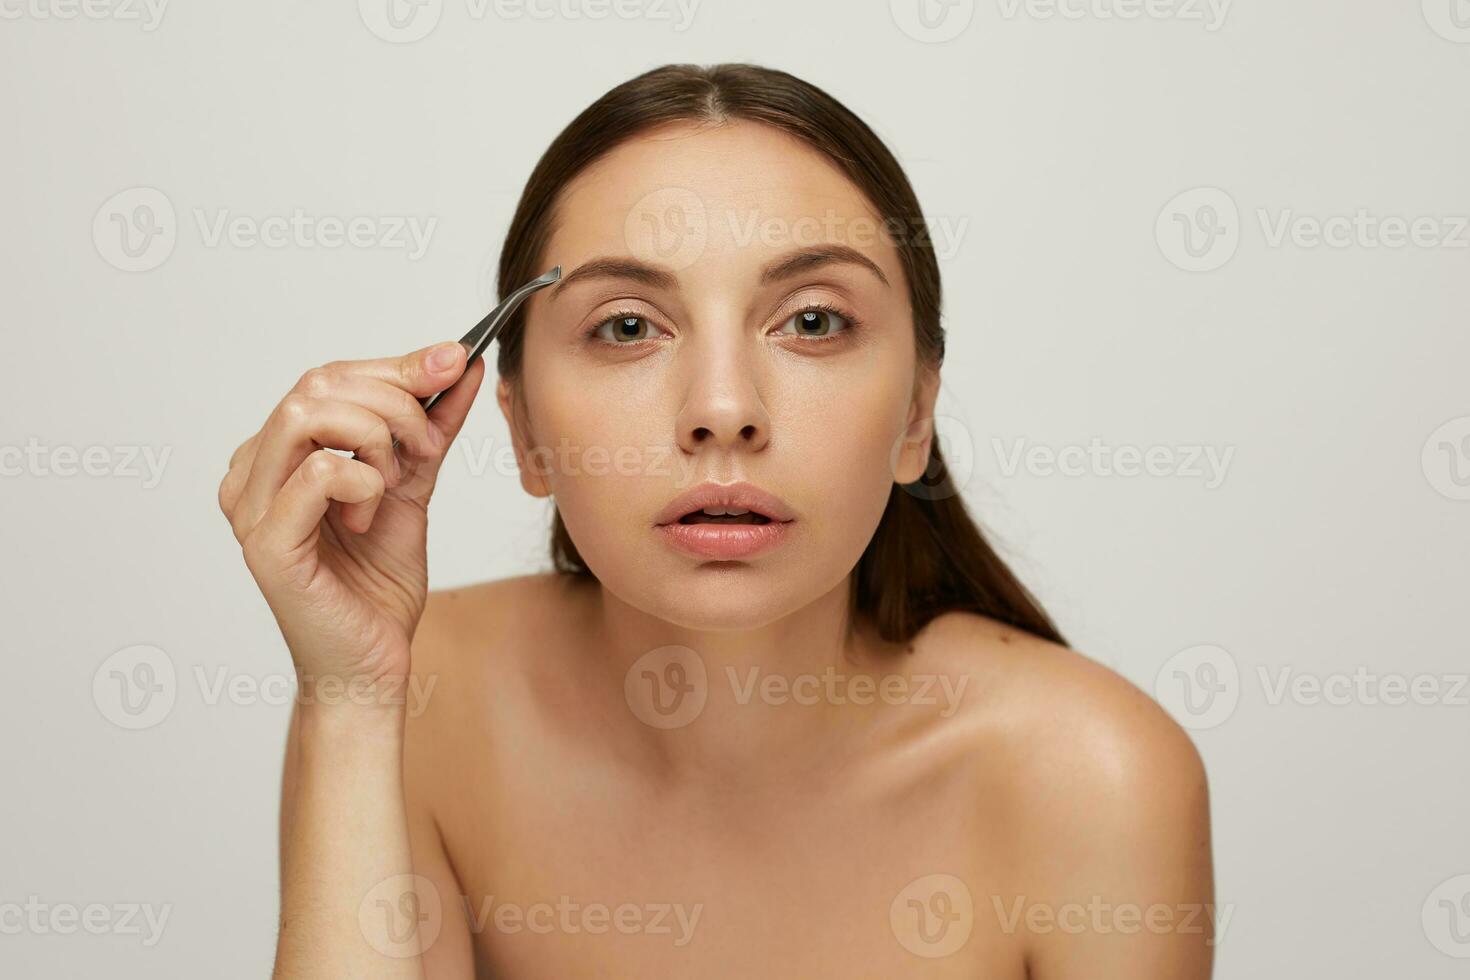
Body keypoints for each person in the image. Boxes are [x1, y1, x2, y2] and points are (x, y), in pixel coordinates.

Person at [218, 62, 1215, 979]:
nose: (724, 406)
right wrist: (347, 698)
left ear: (916, 414)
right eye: (627, 326)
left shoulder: (1096, 778)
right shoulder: (415, 703)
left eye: (814, 320)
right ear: (520, 428)